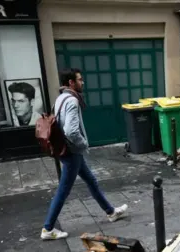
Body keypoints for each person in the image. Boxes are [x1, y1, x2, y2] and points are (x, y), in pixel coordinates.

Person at [41, 68, 128, 240]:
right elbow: (71, 131)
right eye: (80, 79)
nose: (83, 82)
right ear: (71, 83)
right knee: (63, 190)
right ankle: (48, 229)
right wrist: (84, 144)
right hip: (72, 152)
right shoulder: (72, 101)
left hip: (68, 151)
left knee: (91, 181)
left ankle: (111, 212)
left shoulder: (60, 98)